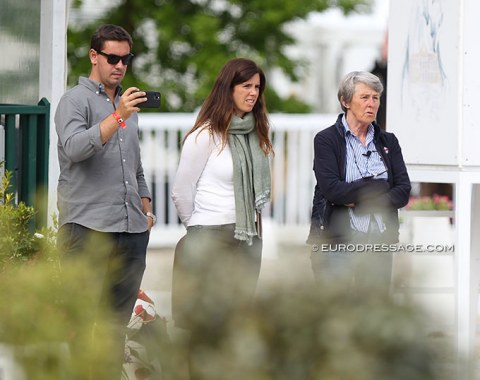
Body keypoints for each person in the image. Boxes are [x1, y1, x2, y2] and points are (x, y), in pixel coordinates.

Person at [55, 24, 155, 376]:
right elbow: (74, 149)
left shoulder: (124, 104)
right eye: (112, 58)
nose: (120, 65)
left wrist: (145, 202)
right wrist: (118, 117)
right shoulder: (74, 101)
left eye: (126, 59)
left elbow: (135, 163)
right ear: (94, 56)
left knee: (115, 329)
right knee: (82, 326)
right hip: (87, 229)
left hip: (130, 230)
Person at [171, 58, 272, 379]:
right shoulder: (205, 137)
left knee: (237, 325)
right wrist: (198, 232)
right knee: (205, 326)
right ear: (228, 88)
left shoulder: (255, 136)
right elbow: (180, 192)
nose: (253, 93)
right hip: (209, 237)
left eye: (257, 87)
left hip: (248, 239)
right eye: (246, 86)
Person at [307, 71, 411, 298]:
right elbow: (332, 190)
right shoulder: (326, 140)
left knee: (375, 314)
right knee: (336, 312)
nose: (372, 104)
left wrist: (356, 196)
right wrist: (379, 188)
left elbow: (403, 191)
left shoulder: (388, 141)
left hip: (379, 241)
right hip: (337, 242)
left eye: (376, 98)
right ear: (345, 101)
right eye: (364, 97)